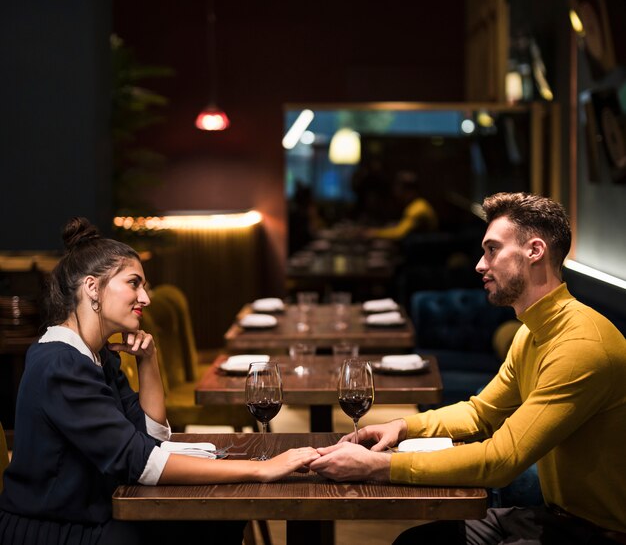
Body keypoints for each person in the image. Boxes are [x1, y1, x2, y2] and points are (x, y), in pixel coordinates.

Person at [310, 192, 626, 544]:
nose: (480, 264)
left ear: (535, 251)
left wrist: (378, 467)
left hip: (598, 533)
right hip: (552, 518)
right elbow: (480, 414)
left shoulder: (582, 345)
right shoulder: (532, 332)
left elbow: (502, 458)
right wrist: (401, 427)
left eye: (492, 250)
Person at [0, 217, 319, 545]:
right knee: (205, 523)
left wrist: (148, 361)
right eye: (134, 283)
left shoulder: (97, 356)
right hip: (51, 528)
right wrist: (260, 469)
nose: (145, 298)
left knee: (219, 522)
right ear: (92, 288)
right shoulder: (59, 363)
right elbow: (141, 462)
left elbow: (150, 436)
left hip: (90, 513)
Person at [366, 170, 437, 240]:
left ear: (410, 191)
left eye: (399, 189)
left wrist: (374, 233)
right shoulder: (418, 204)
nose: (396, 193)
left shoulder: (417, 209)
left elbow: (399, 234)